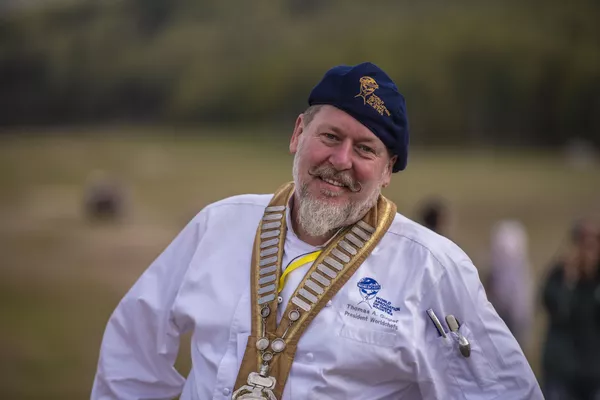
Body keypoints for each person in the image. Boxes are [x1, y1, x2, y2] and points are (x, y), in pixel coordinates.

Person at [92, 62, 542, 399]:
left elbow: (502, 389)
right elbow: (131, 348)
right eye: (330, 137)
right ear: (298, 135)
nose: (341, 161)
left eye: (365, 149)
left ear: (388, 170)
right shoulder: (219, 225)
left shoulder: (433, 269)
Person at [541, 218, 600, 400]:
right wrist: (570, 281)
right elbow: (557, 310)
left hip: (595, 371)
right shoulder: (559, 276)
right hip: (563, 371)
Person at [486, 220, 534, 349]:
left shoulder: (521, 272)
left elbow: (521, 301)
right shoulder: (493, 272)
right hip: (498, 314)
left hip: (514, 317)